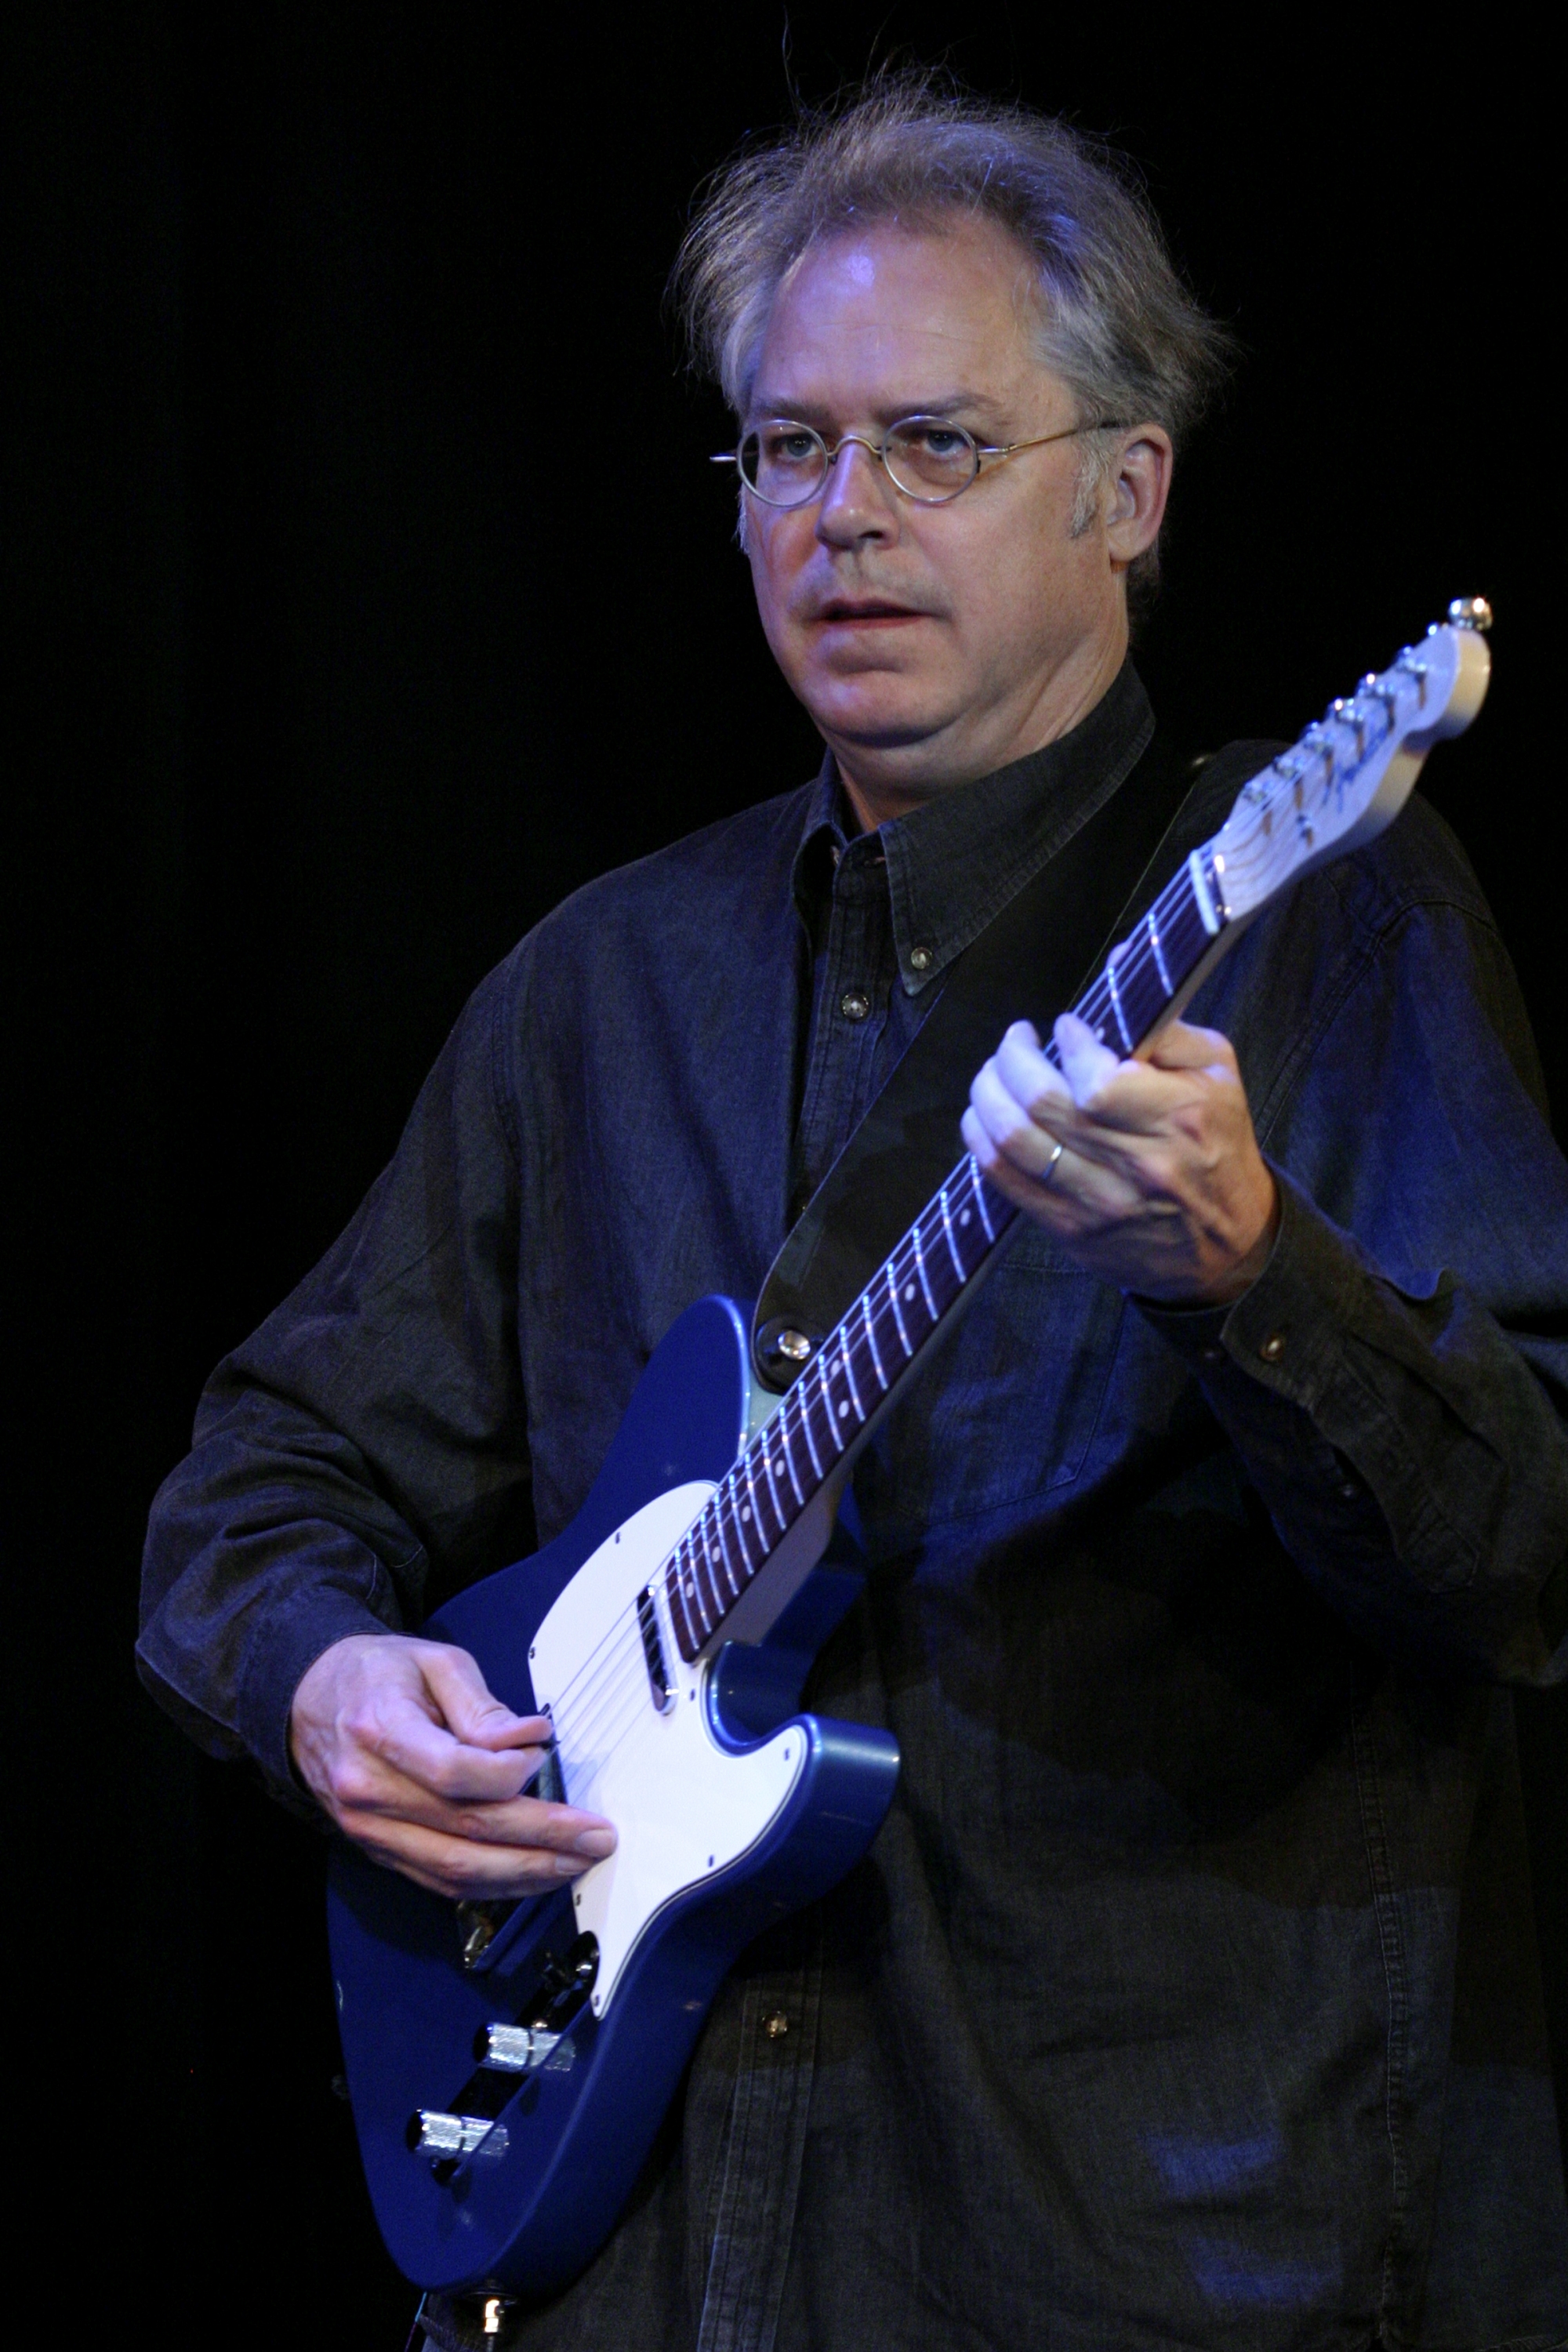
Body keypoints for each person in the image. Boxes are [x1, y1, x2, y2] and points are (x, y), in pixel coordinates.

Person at [140, 77, 1568, 2352]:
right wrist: (321, 1680)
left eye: (931, 446)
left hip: (1143, 2251)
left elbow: (1524, 1547)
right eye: (785, 450)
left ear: (1127, 494)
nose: (843, 518)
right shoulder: (598, 989)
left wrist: (1248, 1277)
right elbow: (259, 1477)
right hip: (648, 2254)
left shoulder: (1333, 916)